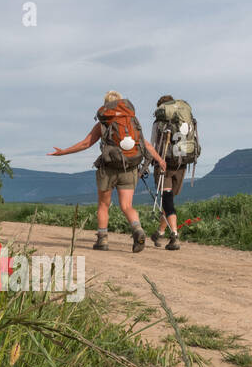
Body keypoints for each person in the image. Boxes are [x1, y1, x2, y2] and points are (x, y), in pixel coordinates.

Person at [49, 90, 167, 252]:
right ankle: (138, 230)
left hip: (108, 168)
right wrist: (159, 160)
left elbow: (85, 144)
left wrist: (63, 152)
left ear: (107, 105)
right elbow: (145, 144)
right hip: (130, 168)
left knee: (104, 205)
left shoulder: (103, 123)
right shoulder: (132, 122)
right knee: (127, 206)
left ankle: (102, 240)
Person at [148, 95, 201, 250]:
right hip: (182, 164)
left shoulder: (159, 123)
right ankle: (160, 232)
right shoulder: (187, 120)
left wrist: (151, 161)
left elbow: (152, 145)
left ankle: (175, 236)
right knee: (169, 200)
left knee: (168, 201)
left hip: (164, 164)